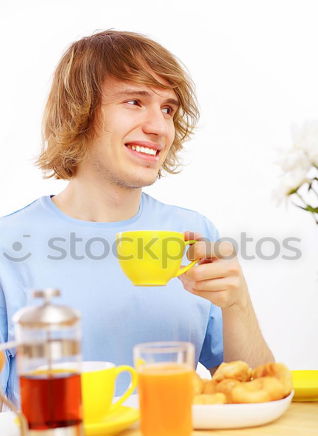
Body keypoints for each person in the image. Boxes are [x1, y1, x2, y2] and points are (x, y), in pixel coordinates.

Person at [0, 30, 274, 407]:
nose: (159, 127)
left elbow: (258, 392)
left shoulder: (193, 236)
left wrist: (237, 304)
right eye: (134, 101)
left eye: (167, 109)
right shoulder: (8, 243)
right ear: (77, 112)